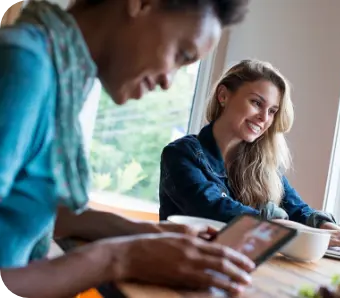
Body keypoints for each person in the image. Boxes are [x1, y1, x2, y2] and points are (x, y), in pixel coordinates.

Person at [0, 0, 255, 297]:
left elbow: (32, 207)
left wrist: (147, 233)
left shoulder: (59, 76)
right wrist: (119, 258)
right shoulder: (23, 67)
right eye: (181, 54)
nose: (167, 82)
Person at [159, 59, 340, 256]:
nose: (264, 118)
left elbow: (297, 209)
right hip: (182, 269)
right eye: (256, 103)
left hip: (237, 269)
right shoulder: (180, 154)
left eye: (273, 110)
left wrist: (335, 231)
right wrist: (304, 234)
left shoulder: (263, 164)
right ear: (223, 95)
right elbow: (213, 209)